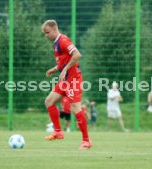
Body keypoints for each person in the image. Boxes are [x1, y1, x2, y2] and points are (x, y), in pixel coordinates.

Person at [42, 19, 92, 150]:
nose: (45, 35)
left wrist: (64, 70)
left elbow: (77, 55)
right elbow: (64, 60)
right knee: (49, 101)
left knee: (76, 108)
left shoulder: (63, 40)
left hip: (73, 80)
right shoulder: (56, 44)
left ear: (54, 30)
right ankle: (58, 132)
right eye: (44, 33)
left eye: (47, 32)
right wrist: (55, 69)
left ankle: (86, 141)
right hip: (65, 81)